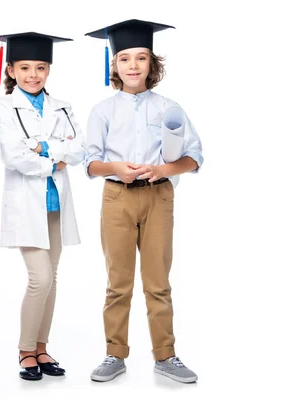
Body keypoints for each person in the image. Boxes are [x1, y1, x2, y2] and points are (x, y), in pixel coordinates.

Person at [84, 19, 203, 383]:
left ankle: (165, 356)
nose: (133, 66)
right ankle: (114, 353)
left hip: (158, 198)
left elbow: (194, 157)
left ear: (152, 64)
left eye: (141, 58)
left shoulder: (170, 107)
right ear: (114, 65)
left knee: (158, 282)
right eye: (124, 59)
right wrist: (115, 168)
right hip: (117, 197)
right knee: (118, 282)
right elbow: (90, 163)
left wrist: (165, 167)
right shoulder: (103, 111)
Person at [0, 32, 84, 381]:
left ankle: (42, 348)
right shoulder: (3, 106)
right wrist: (54, 155)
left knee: (53, 277)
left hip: (55, 203)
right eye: (25, 67)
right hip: (25, 204)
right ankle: (25, 349)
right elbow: (13, 157)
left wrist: (41, 147)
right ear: (11, 69)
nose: (33, 74)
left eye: (40, 67)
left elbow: (79, 150)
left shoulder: (62, 105)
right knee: (39, 278)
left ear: (49, 69)